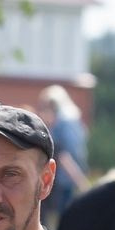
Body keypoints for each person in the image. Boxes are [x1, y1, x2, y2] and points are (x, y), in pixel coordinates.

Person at [37, 85, 90, 221]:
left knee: (61, 217)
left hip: (63, 176)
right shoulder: (74, 120)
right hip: (73, 173)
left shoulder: (61, 123)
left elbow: (62, 152)